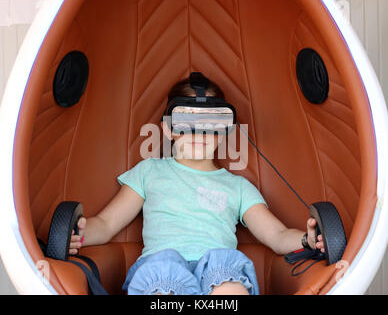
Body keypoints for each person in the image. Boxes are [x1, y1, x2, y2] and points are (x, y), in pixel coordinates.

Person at [69, 75, 325, 295]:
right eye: (187, 122)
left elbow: (278, 236)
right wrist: (74, 236)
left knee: (229, 284)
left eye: (211, 123)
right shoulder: (149, 172)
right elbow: (105, 224)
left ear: (224, 130)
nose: (199, 133)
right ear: (168, 129)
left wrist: (309, 239)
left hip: (220, 267)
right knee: (163, 286)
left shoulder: (238, 187)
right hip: (161, 267)